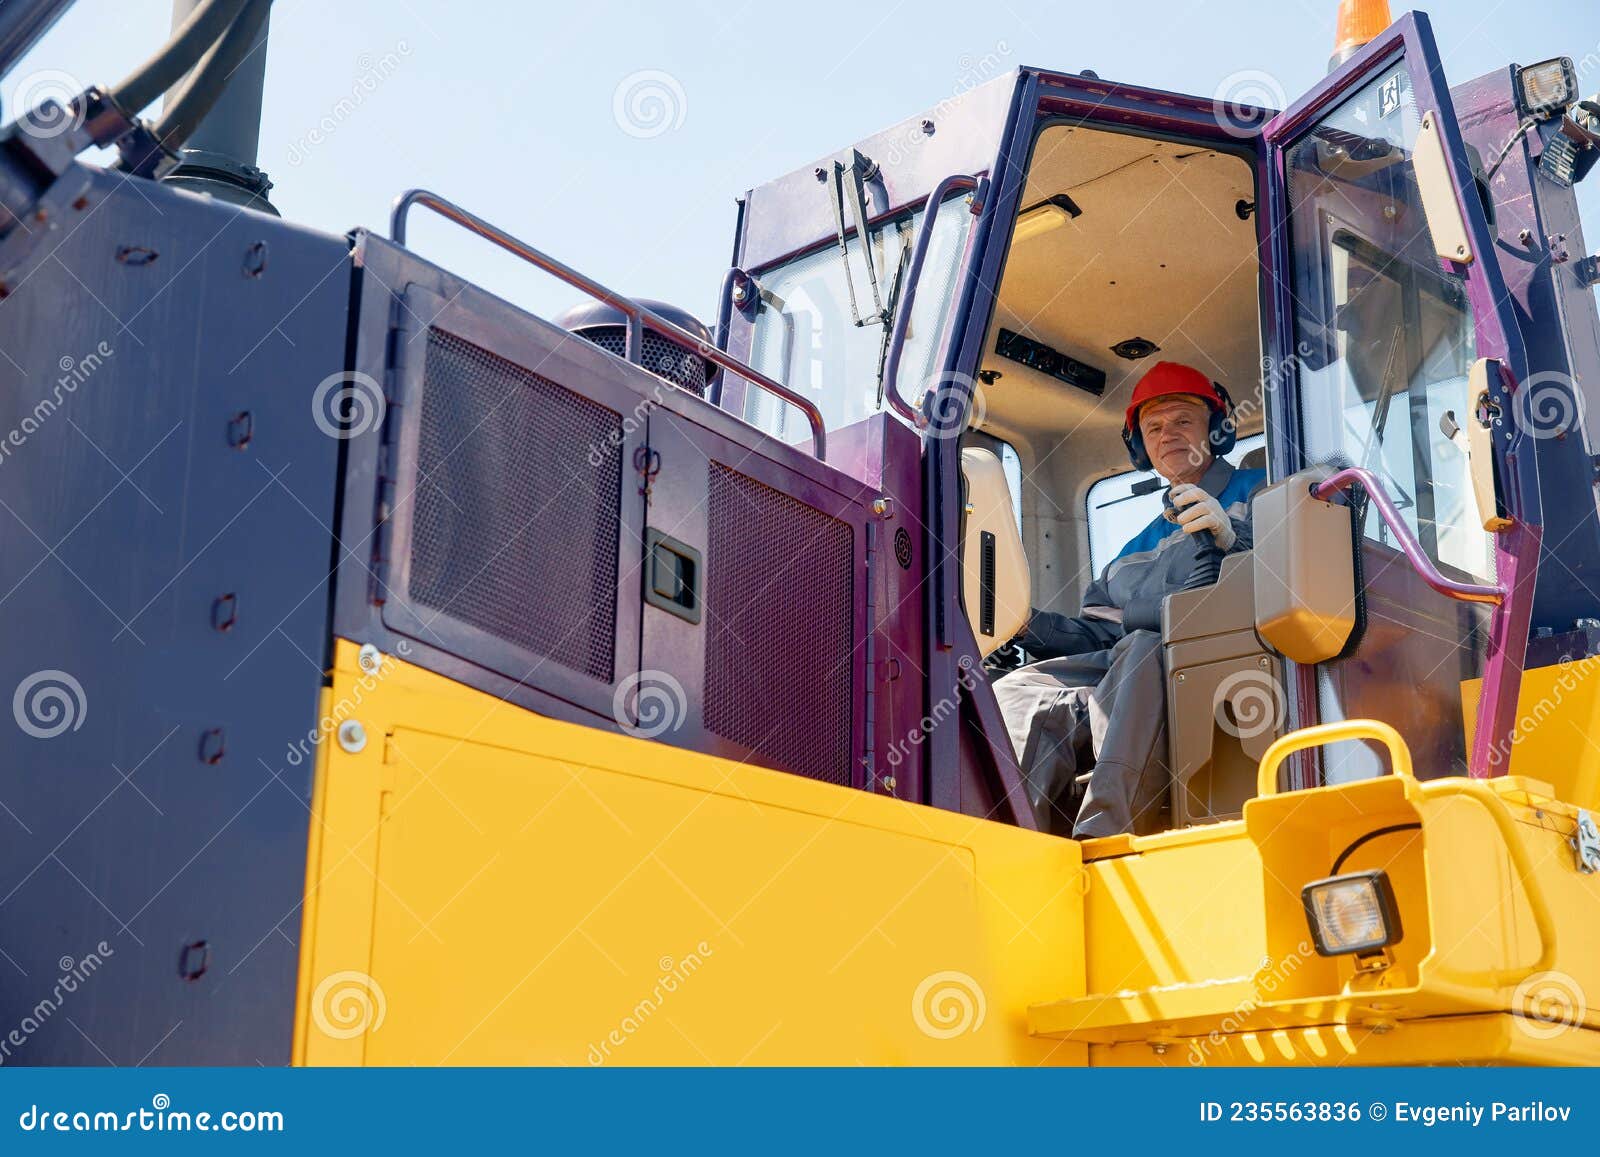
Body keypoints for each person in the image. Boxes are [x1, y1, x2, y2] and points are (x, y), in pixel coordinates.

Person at [992, 361, 1266, 838]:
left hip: (1228, 661)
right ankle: (1014, 842)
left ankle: (1105, 835)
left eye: (1183, 420)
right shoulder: (1131, 550)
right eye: (1153, 427)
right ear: (1141, 447)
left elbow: (1299, 568)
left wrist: (1232, 536)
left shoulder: (1264, 490)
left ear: (1217, 431)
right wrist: (1018, 620)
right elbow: (1098, 632)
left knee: (1141, 652)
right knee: (1014, 689)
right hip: (1122, 663)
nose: (1168, 436)